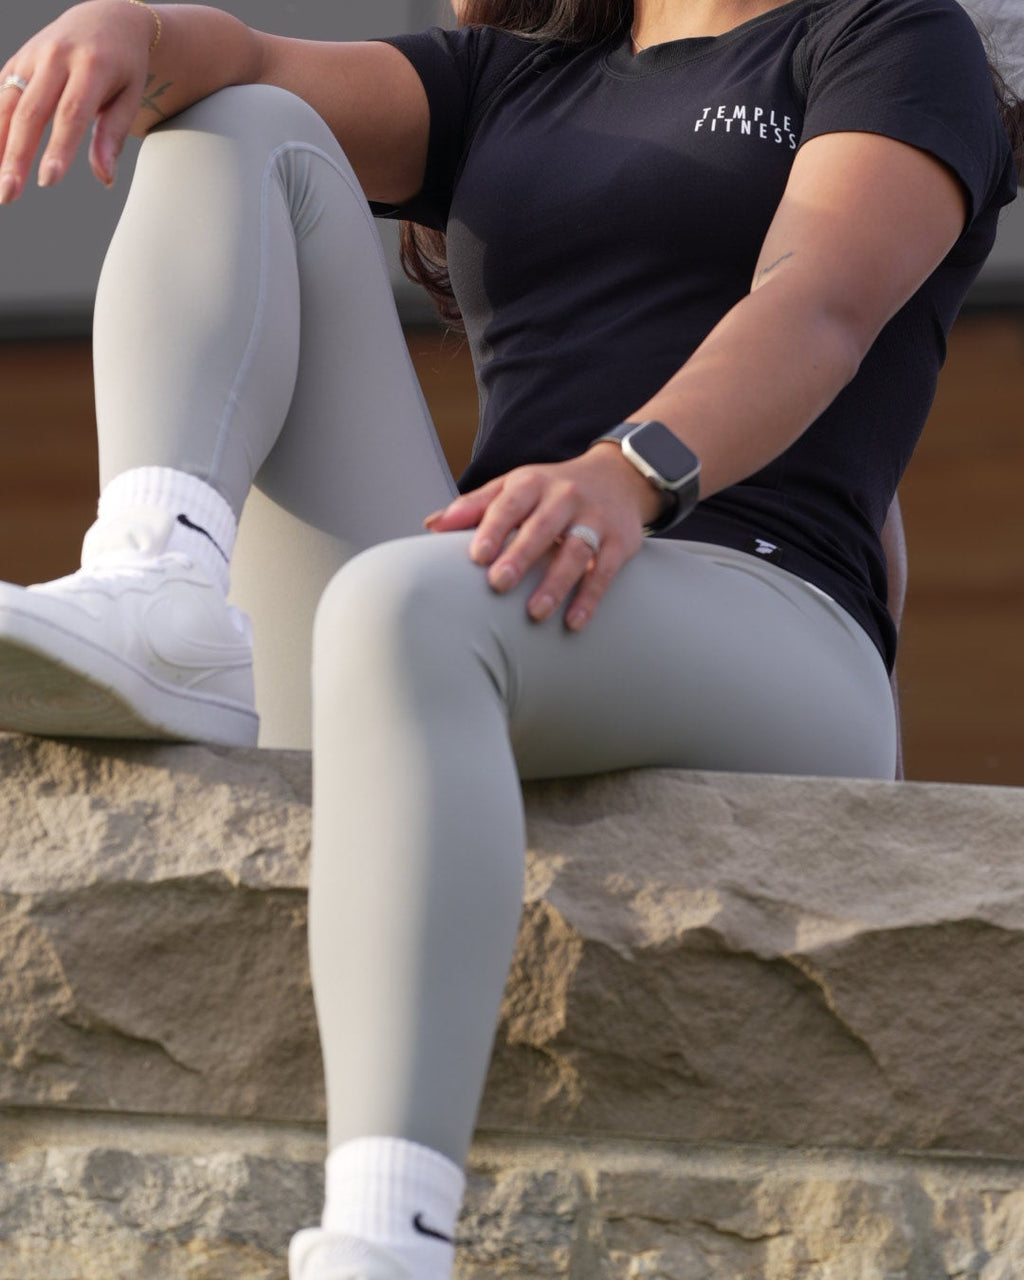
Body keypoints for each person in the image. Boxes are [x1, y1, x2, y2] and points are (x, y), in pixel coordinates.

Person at [0, 0, 1019, 1277]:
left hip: (766, 615)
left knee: (406, 601)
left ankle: (383, 1235)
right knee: (241, 121)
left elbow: (820, 300)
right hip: (500, 597)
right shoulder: (517, 78)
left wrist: (628, 469)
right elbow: (245, 64)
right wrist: (129, 29)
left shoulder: (885, 40)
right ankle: (155, 579)